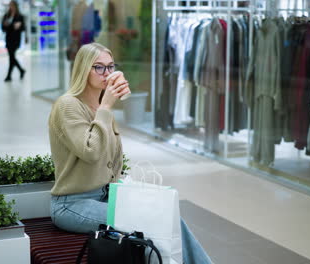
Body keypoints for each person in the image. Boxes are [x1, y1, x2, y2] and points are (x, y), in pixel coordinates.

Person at [48, 43, 212, 264]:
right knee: (152, 220)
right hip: (72, 205)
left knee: (169, 215)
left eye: (110, 67)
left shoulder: (99, 105)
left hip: (105, 197)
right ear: (83, 69)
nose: (106, 74)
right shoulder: (68, 105)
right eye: (98, 67)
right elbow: (91, 152)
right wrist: (106, 107)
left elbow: (112, 159)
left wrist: (127, 195)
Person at [2, 1, 26, 82]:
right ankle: (21, 70)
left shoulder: (20, 16)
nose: (11, 7)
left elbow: (23, 28)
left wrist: (18, 26)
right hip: (8, 38)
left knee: (11, 57)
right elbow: (3, 28)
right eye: (10, 6)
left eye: (12, 5)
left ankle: (9, 75)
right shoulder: (6, 16)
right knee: (12, 57)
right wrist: (11, 26)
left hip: (16, 39)